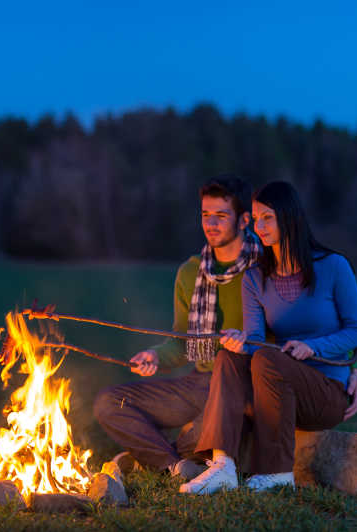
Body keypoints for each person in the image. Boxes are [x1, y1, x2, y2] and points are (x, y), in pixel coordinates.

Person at [180, 181, 357, 495]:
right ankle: (222, 466)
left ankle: (277, 473)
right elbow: (256, 341)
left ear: (289, 217)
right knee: (229, 355)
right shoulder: (255, 278)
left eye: (267, 218)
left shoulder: (333, 266)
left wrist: (314, 347)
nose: (259, 226)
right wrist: (242, 342)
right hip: (276, 391)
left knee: (269, 357)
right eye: (255, 219)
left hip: (325, 393)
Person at [94, 175, 265, 478]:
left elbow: (304, 324)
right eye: (205, 215)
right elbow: (181, 341)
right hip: (199, 381)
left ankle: (162, 456)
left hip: (243, 384)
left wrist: (352, 368)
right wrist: (156, 356)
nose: (210, 224)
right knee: (109, 404)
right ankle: (175, 463)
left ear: (244, 221)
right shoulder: (190, 272)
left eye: (221, 216)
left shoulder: (266, 268)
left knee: (201, 434)